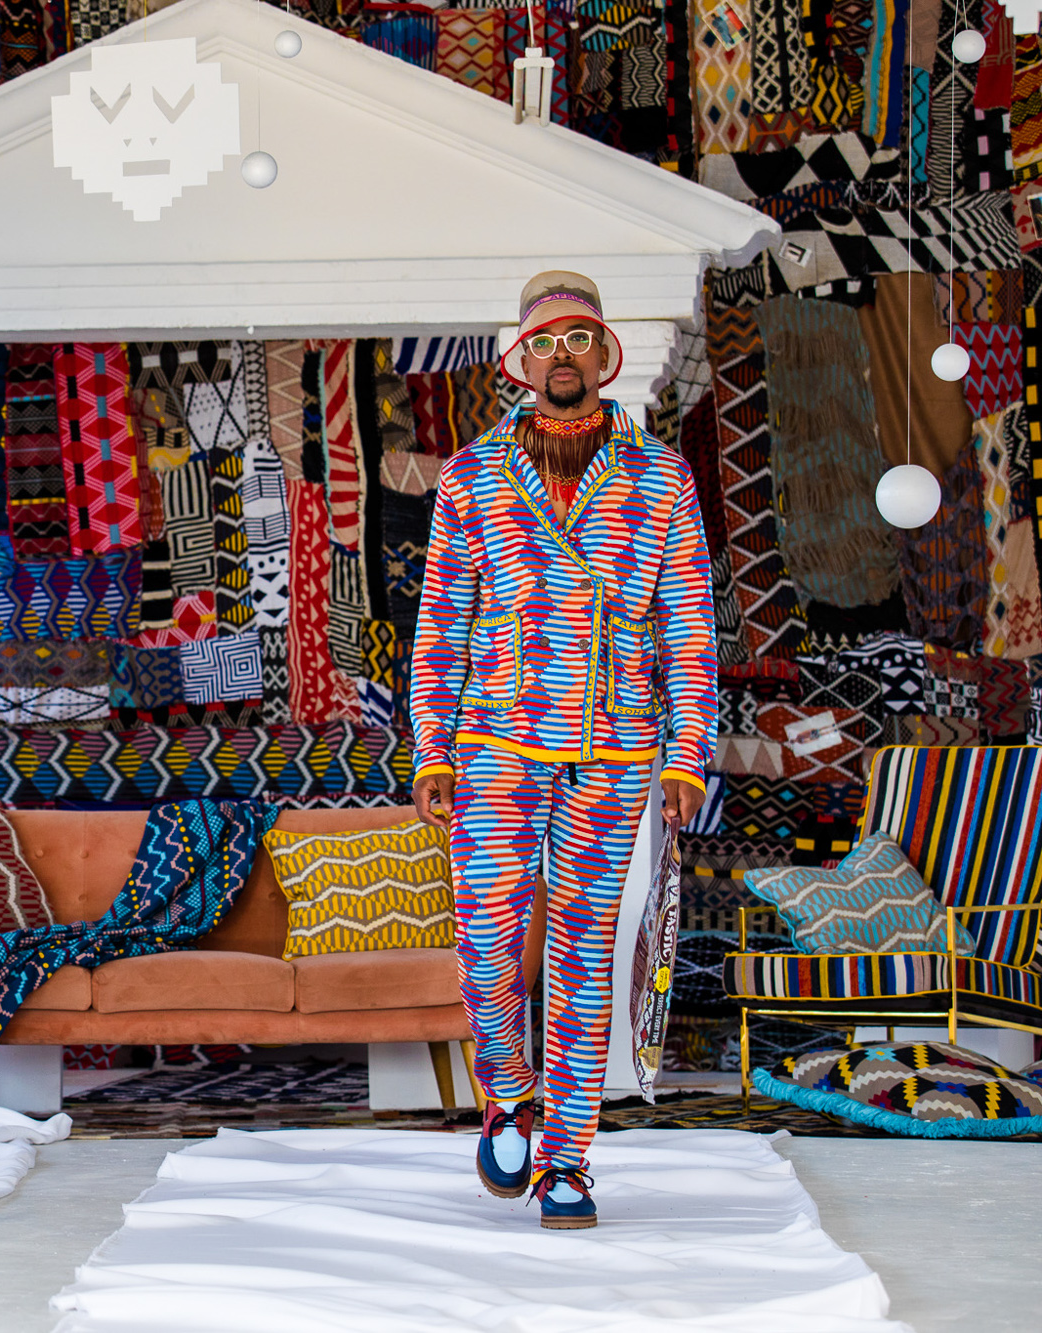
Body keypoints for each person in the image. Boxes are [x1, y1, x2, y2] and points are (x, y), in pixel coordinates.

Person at [407, 272, 714, 1229]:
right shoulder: (472, 477)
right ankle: (508, 1091)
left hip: (620, 750)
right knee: (486, 939)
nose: (564, 357)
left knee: (584, 956)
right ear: (523, 361)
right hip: (495, 742)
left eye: (581, 340)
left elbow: (692, 624)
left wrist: (686, 753)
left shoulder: (660, 474)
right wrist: (431, 747)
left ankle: (569, 1159)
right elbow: (442, 623)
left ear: (604, 355)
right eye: (547, 343)